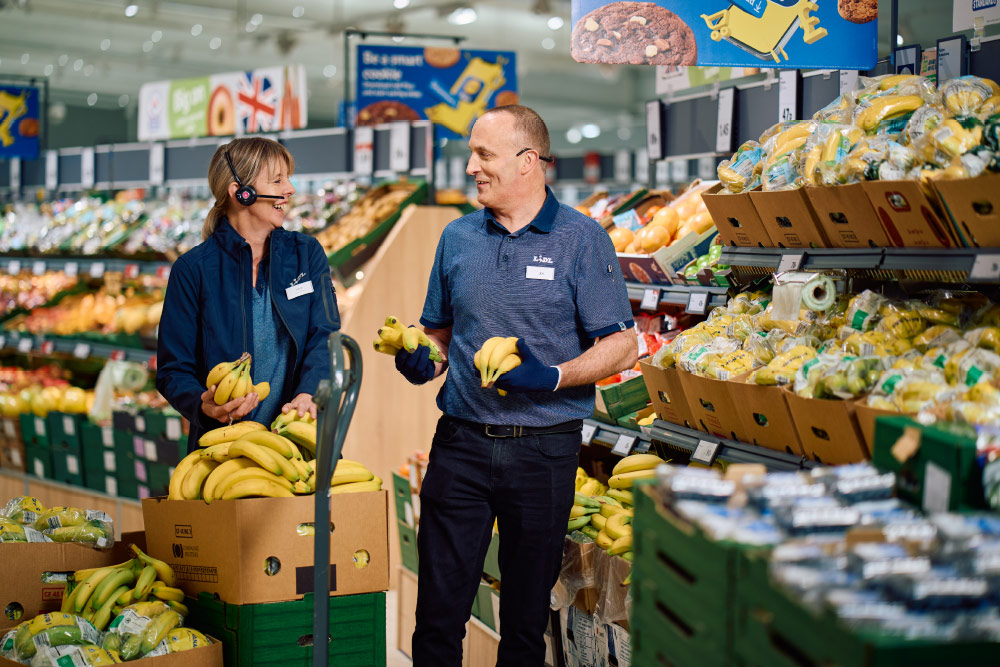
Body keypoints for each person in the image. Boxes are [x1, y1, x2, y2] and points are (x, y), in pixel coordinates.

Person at [398, 105, 638, 666]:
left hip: (545, 451)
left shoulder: (581, 239)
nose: (471, 168)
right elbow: (437, 331)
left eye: (484, 154)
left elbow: (623, 344)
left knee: (527, 621)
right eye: (472, 154)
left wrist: (552, 376)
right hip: (460, 443)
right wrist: (422, 357)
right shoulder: (457, 237)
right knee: (437, 614)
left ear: (529, 161)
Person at [156, 137, 340, 451]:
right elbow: (173, 369)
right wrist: (203, 406)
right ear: (241, 192)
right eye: (278, 180)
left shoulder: (306, 254)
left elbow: (324, 335)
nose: (290, 189)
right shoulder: (193, 269)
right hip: (222, 445)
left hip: (297, 439)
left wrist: (308, 392)